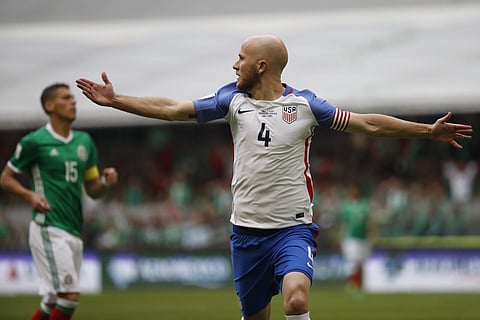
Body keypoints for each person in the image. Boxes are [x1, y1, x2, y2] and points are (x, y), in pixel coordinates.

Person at [76, 35, 472, 320]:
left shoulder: (305, 105)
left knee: (297, 301)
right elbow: (172, 109)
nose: (234, 65)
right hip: (245, 232)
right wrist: (117, 100)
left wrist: (427, 131)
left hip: (292, 229)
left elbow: (367, 124)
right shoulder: (230, 100)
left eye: (240, 58)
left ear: (261, 66)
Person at [0, 83, 118, 320]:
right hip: (48, 226)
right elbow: (6, 178)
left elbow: (93, 190)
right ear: (49, 105)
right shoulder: (35, 141)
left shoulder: (84, 142)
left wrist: (104, 183)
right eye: (65, 98)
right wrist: (30, 195)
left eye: (73, 98)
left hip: (74, 228)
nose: (73, 101)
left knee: (52, 299)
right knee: (69, 297)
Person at [338, 183, 375, 297]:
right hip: (350, 237)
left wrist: (371, 234)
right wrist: (340, 236)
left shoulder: (365, 205)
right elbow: (343, 223)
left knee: (361, 263)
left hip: (363, 237)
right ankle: (353, 285)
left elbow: (369, 221)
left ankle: (360, 286)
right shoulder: (346, 206)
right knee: (353, 262)